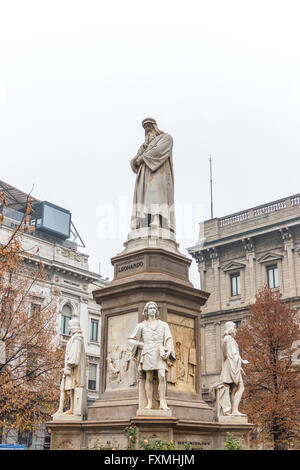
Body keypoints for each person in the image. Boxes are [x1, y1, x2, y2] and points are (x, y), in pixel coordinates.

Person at [130, 118, 175, 234]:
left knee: (155, 194)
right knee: (144, 198)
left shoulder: (166, 138)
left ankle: (157, 219)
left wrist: (142, 158)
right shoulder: (144, 146)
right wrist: (136, 159)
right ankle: (144, 222)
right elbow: (135, 161)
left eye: (149, 127)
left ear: (155, 126)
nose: (148, 130)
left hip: (158, 172)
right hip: (144, 176)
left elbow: (160, 151)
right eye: (145, 128)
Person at [128, 301, 175, 411]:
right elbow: (130, 340)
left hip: (160, 351)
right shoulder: (141, 325)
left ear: (157, 311)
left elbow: (169, 339)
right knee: (148, 377)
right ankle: (149, 402)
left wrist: (168, 350)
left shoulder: (163, 325)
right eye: (150, 308)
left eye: (154, 308)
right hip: (148, 352)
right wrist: (140, 344)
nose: (153, 310)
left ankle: (162, 402)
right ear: (146, 311)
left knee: (162, 375)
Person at [56, 318, 87, 418]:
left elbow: (75, 357)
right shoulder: (75, 338)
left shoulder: (77, 339)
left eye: (70, 326)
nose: (68, 328)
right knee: (68, 389)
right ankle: (69, 408)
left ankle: (73, 409)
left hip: (73, 370)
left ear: (74, 327)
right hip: (70, 369)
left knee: (72, 388)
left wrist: (68, 366)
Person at [219, 321, 248, 416]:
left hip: (229, 365)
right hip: (232, 366)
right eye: (235, 328)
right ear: (231, 329)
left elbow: (227, 355)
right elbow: (233, 355)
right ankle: (234, 410)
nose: (236, 330)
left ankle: (233, 410)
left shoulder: (224, 339)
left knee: (234, 389)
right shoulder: (229, 339)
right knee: (241, 387)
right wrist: (241, 363)